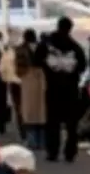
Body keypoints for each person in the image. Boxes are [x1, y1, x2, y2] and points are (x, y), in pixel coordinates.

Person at [36, 17, 87, 163]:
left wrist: (49, 69)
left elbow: (36, 59)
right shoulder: (76, 46)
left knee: (52, 121)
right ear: (70, 28)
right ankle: (70, 151)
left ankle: (52, 151)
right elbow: (83, 66)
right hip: (71, 88)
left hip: (52, 87)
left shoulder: (46, 44)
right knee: (72, 122)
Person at [15, 29, 46, 150]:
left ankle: (32, 141)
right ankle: (42, 141)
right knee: (41, 111)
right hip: (41, 79)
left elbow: (18, 67)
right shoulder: (43, 47)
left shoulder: (20, 49)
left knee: (29, 111)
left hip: (28, 80)